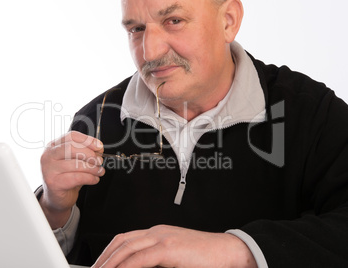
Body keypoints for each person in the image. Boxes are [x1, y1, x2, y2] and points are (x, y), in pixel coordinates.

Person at [37, 0, 348, 267]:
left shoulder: (312, 112)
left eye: (174, 21)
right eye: (136, 29)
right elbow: (78, 257)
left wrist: (236, 250)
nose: (150, 51)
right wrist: (54, 210)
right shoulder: (96, 119)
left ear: (228, 21)